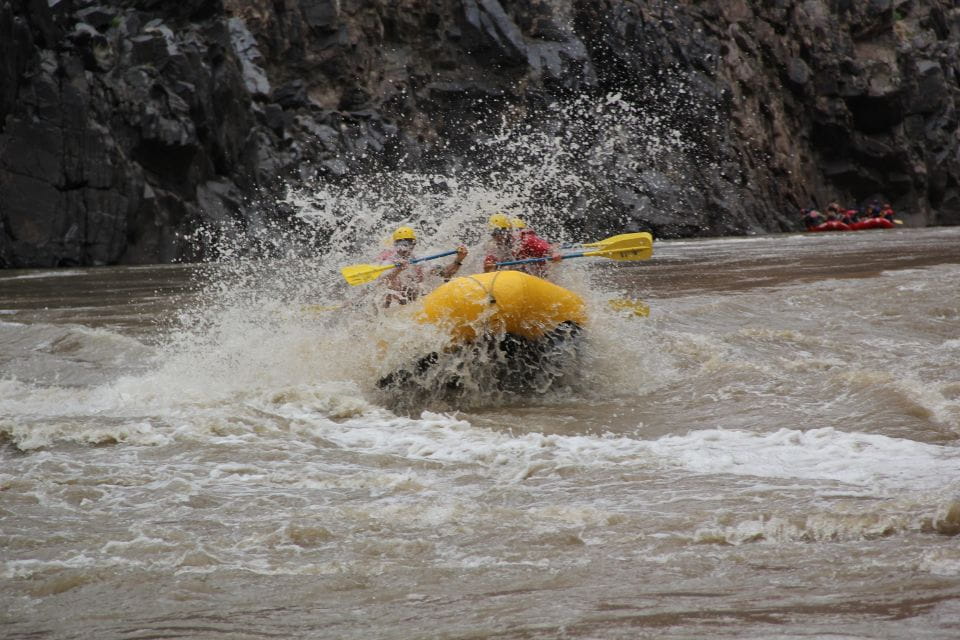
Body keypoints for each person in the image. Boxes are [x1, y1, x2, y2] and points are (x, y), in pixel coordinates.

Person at [381, 226, 467, 307]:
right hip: (394, 305)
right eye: (401, 244)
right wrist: (398, 270)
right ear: (395, 245)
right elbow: (383, 279)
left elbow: (445, 274)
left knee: (421, 290)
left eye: (409, 243)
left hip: (414, 303)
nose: (404, 248)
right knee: (391, 292)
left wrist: (459, 259)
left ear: (414, 245)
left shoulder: (419, 260)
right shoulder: (389, 261)